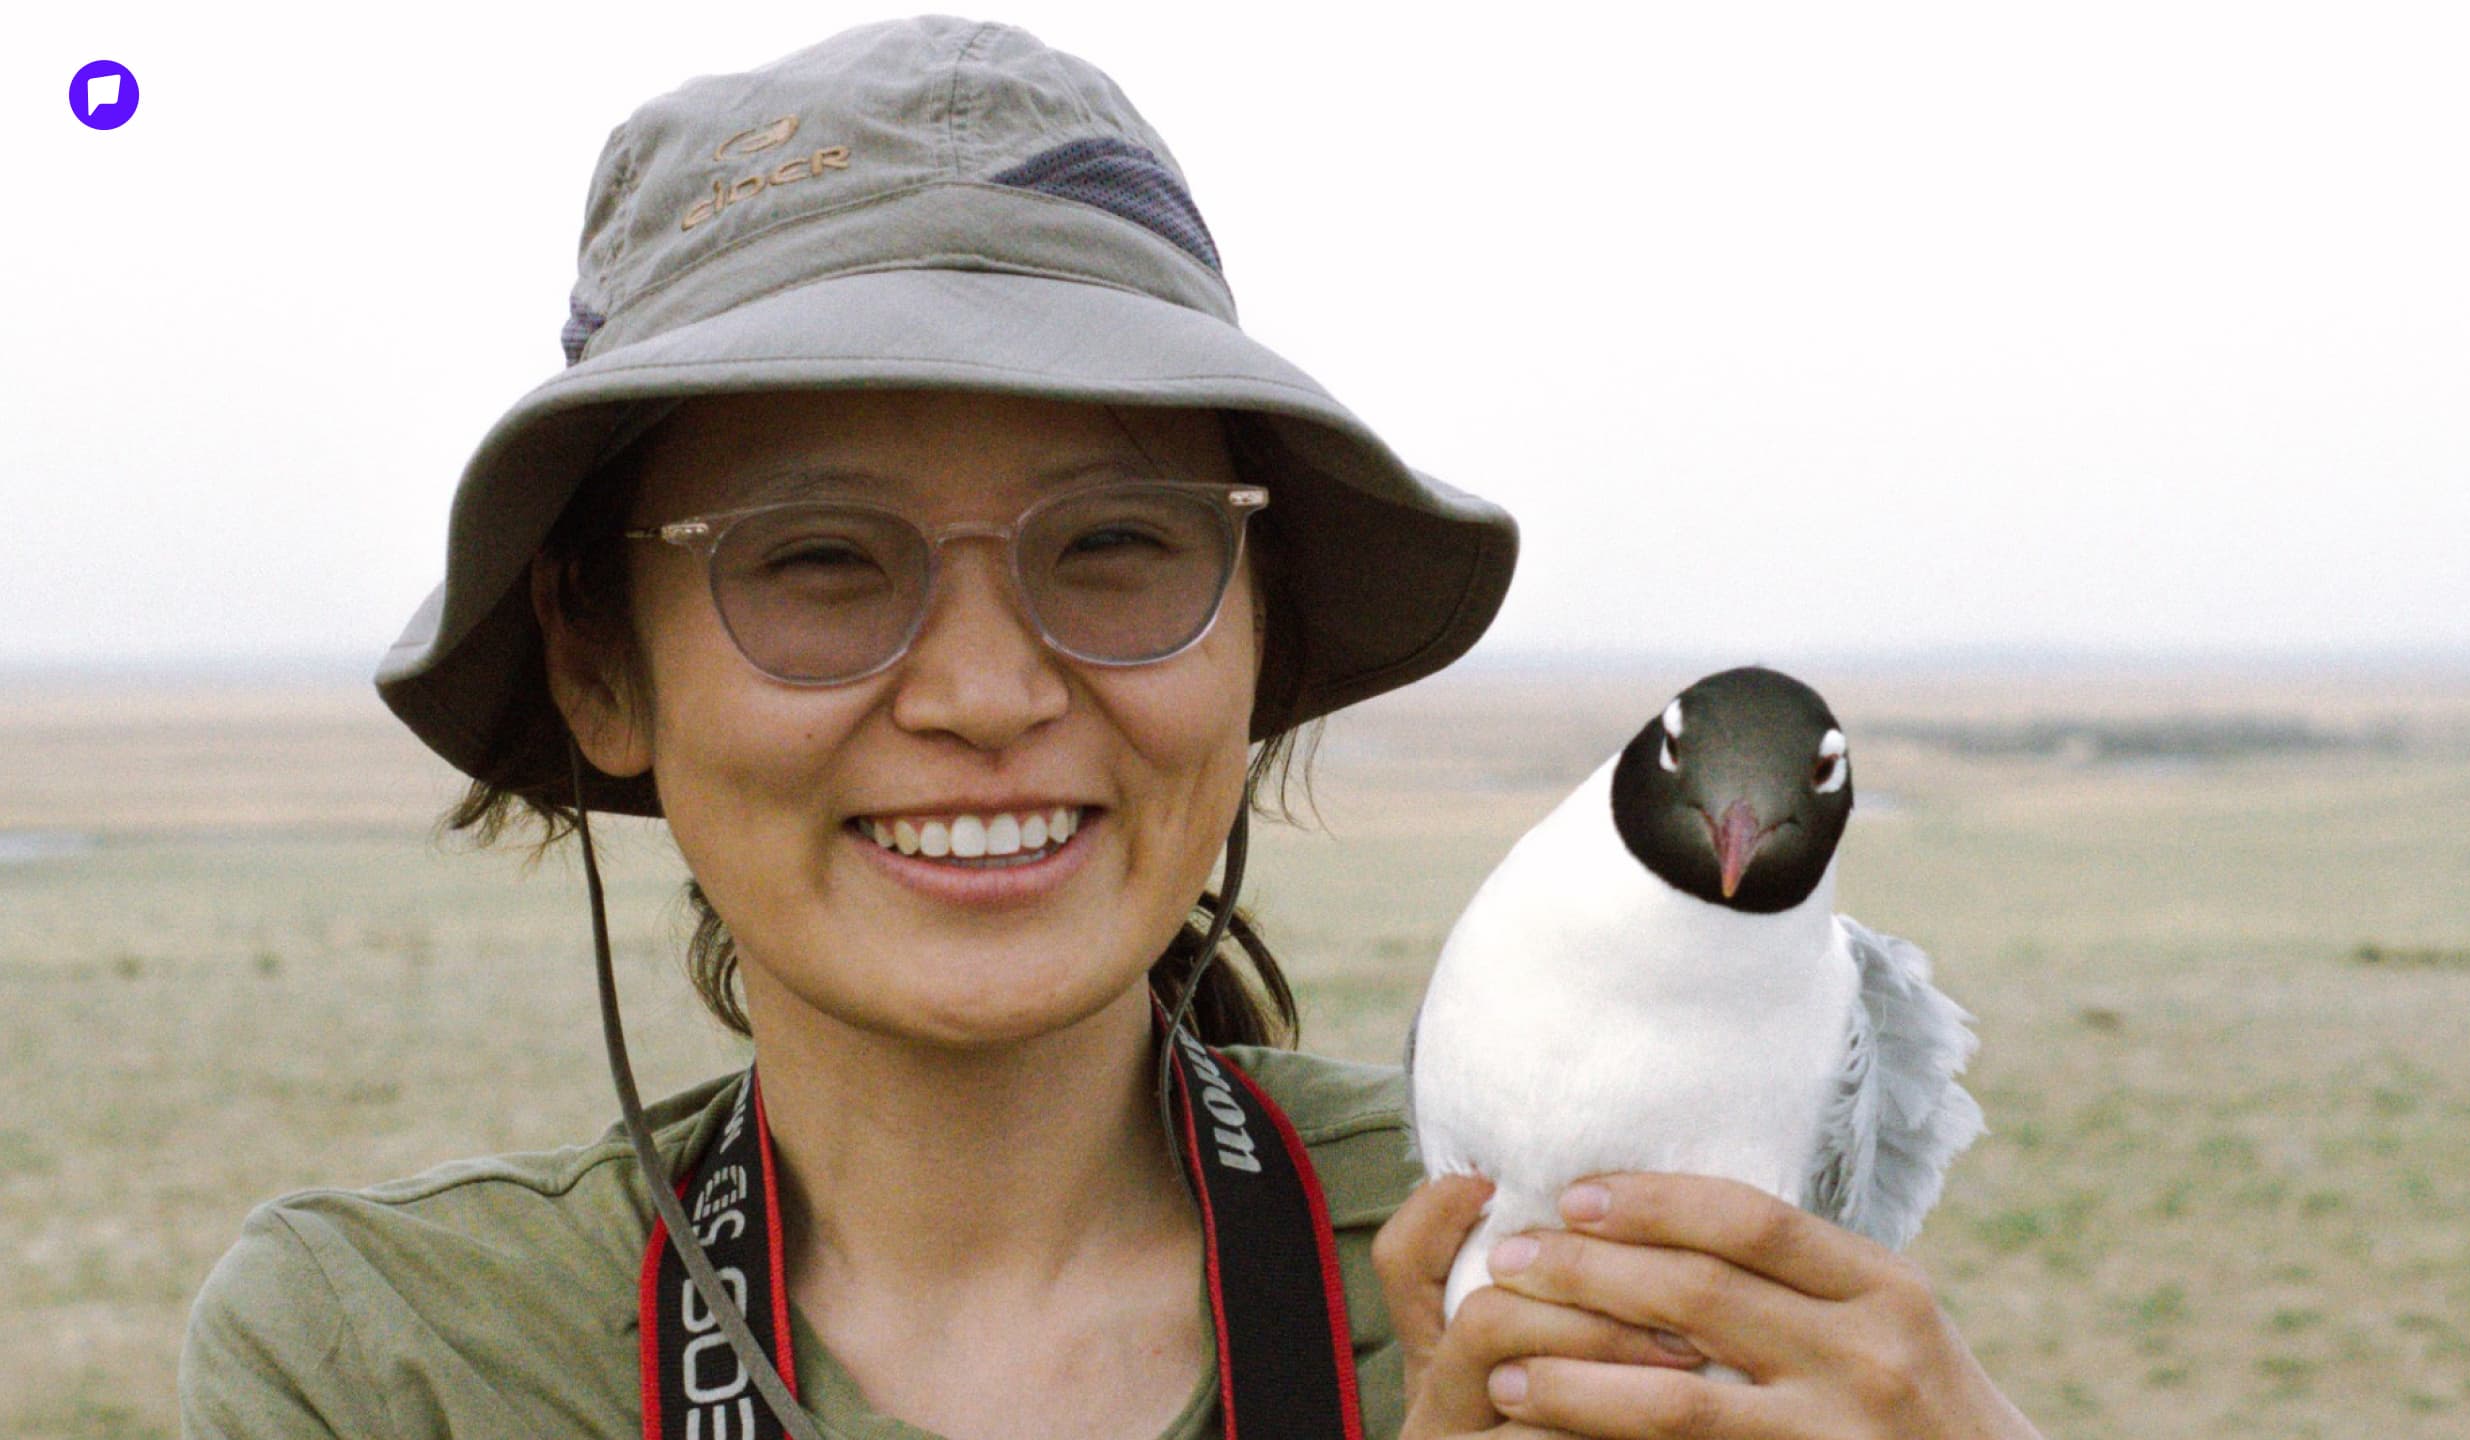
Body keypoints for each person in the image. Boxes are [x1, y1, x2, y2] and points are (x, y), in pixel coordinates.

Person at [179, 17, 2040, 1440]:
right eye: (817, 561)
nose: (988, 694)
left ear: (1254, 635)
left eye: (1120, 549)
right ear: (601, 668)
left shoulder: (1581, 1262)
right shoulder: (402, 1351)